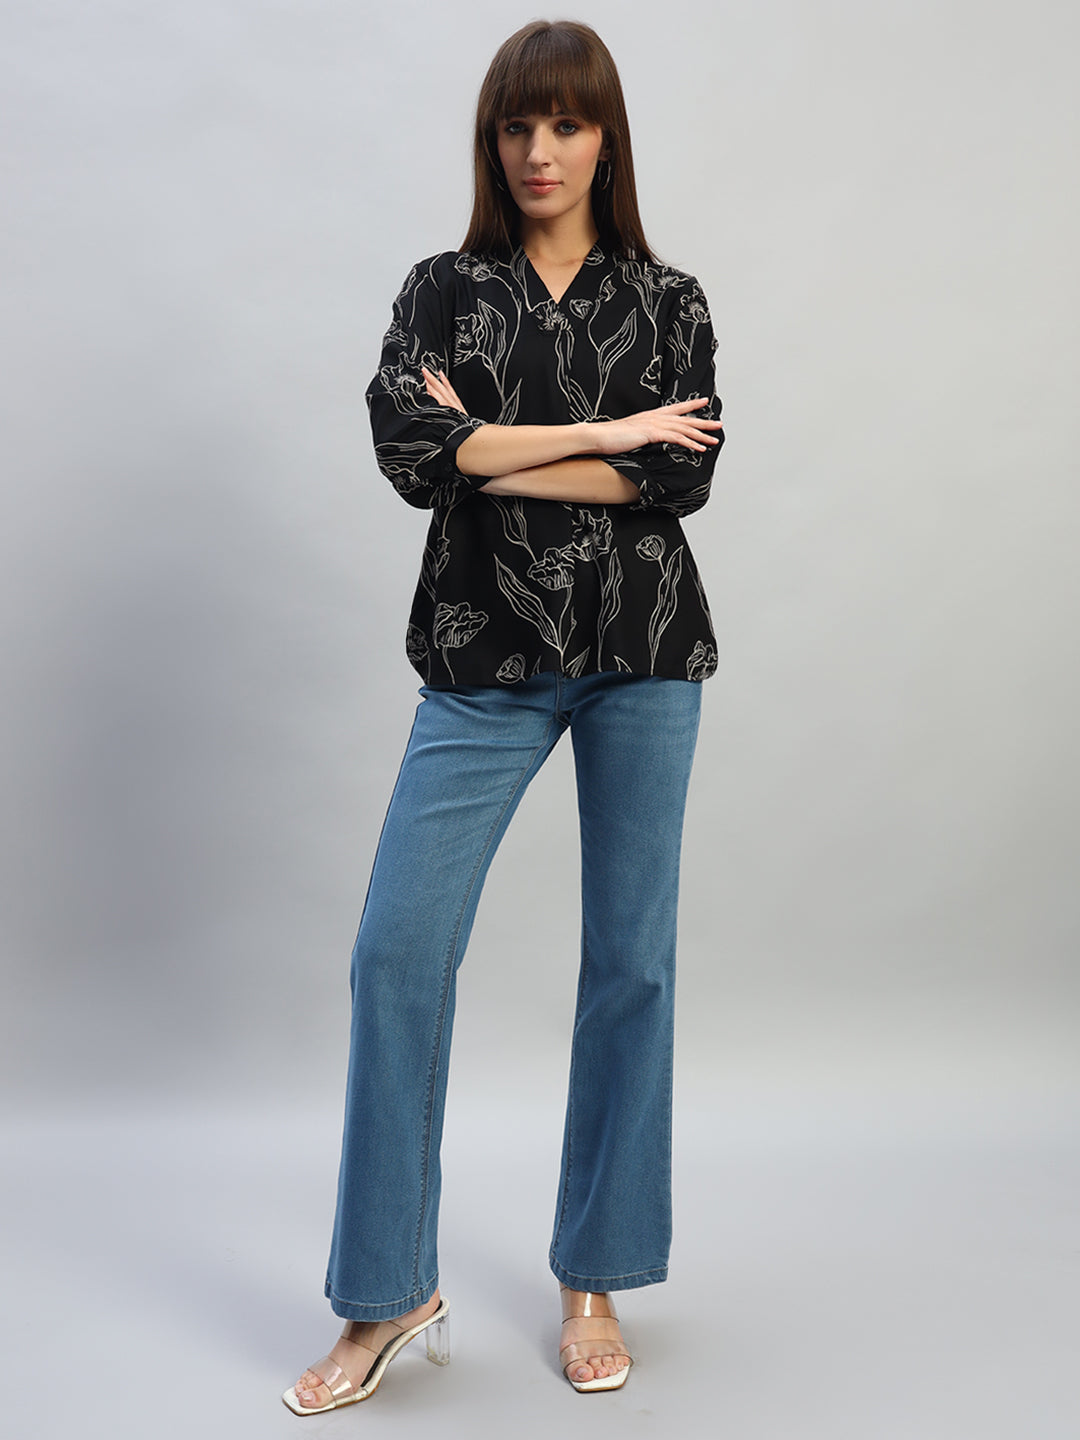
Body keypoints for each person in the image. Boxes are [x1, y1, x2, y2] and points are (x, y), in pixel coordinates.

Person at [283, 18, 724, 1413]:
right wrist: (606, 433)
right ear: (493, 142)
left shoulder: (669, 300)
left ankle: (596, 1275)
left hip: (644, 650)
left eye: (567, 125)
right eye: (517, 126)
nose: (540, 151)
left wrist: (491, 452)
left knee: (630, 964)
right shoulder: (442, 292)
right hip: (483, 657)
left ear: (606, 140)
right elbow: (413, 455)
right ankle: (386, 1291)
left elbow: (680, 485)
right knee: (397, 954)